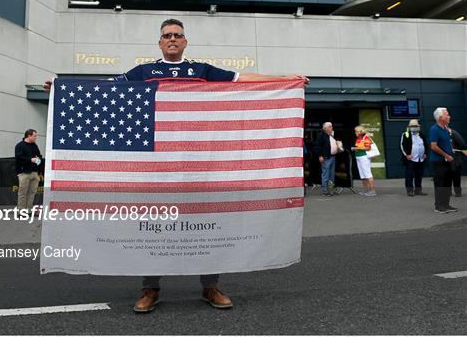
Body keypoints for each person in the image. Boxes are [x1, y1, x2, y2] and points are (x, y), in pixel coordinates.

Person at [44, 18, 309, 313]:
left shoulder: (201, 70)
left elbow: (242, 80)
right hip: (157, 166)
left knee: (207, 225)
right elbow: (106, 89)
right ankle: (150, 288)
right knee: (153, 226)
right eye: (167, 35)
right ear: (159, 42)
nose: (172, 39)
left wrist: (286, 79)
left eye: (177, 35)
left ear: (185, 41)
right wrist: (62, 89)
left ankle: (211, 286)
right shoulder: (144, 71)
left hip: (201, 164)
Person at [429, 108, 458, 214]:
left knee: (447, 183)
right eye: (447, 115)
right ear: (440, 117)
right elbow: (433, 146)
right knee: (440, 184)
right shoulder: (434, 129)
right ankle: (438, 206)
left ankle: (446, 204)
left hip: (448, 160)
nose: (449, 116)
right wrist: (446, 154)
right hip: (438, 161)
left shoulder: (446, 129)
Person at [15, 129, 43, 213]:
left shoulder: (34, 145)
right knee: (23, 192)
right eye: (34, 136)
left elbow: (39, 156)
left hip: (34, 172)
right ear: (29, 136)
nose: (36, 137)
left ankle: (29, 210)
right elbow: (19, 158)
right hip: (24, 173)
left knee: (32, 192)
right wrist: (30, 159)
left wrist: (38, 159)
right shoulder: (20, 145)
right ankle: (21, 210)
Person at [399, 119, 428, 196]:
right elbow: (402, 146)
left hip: (420, 159)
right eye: (413, 126)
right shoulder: (405, 134)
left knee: (419, 175)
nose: (414, 127)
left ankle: (418, 190)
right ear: (409, 127)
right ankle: (410, 190)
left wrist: (425, 153)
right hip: (410, 159)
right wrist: (406, 155)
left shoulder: (422, 135)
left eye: (416, 126)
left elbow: (425, 145)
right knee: (409, 175)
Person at [314, 122, 340, 196]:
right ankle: (325, 191)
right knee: (326, 175)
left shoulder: (332, 135)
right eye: (330, 126)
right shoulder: (321, 135)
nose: (332, 128)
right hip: (326, 157)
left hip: (333, 157)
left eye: (331, 126)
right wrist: (320, 155)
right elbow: (317, 146)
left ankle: (331, 191)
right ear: (325, 128)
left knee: (331, 175)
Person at [353, 125, 376, 196]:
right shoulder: (358, 138)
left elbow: (368, 148)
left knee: (368, 174)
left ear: (360, 131)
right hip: (358, 157)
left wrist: (358, 148)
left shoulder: (366, 137)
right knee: (362, 175)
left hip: (364, 157)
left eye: (356, 131)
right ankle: (365, 190)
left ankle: (372, 191)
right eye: (355, 131)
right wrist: (356, 148)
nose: (355, 132)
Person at [447, 126, 465, 198]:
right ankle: (448, 192)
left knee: (456, 176)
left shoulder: (454, 133)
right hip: (446, 158)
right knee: (447, 176)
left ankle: (458, 192)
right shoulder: (441, 134)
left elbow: (462, 144)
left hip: (456, 159)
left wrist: (458, 152)